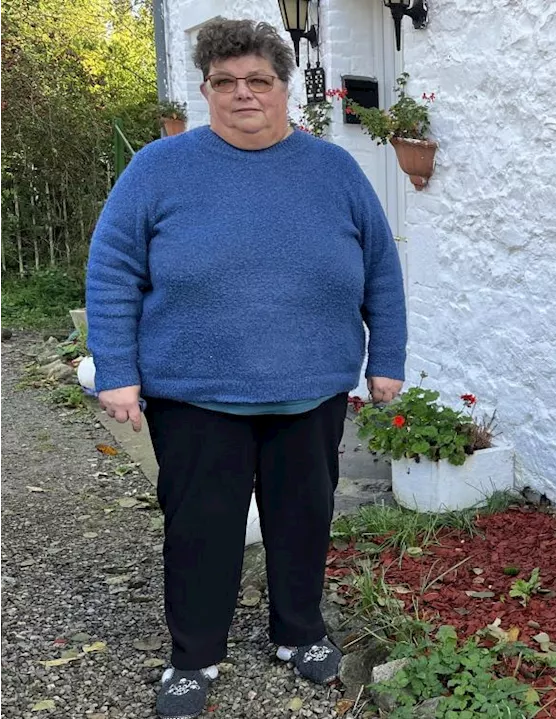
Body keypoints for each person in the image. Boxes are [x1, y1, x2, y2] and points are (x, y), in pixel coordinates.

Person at [85, 17, 407, 719]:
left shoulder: (335, 170)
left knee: (304, 518)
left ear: (284, 87)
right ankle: (193, 656)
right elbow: (112, 269)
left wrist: (386, 359)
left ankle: (299, 632)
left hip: (312, 387)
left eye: (258, 80)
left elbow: (382, 267)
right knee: (202, 527)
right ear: (205, 90)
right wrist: (117, 369)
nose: (243, 94)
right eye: (224, 82)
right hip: (195, 394)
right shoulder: (158, 169)